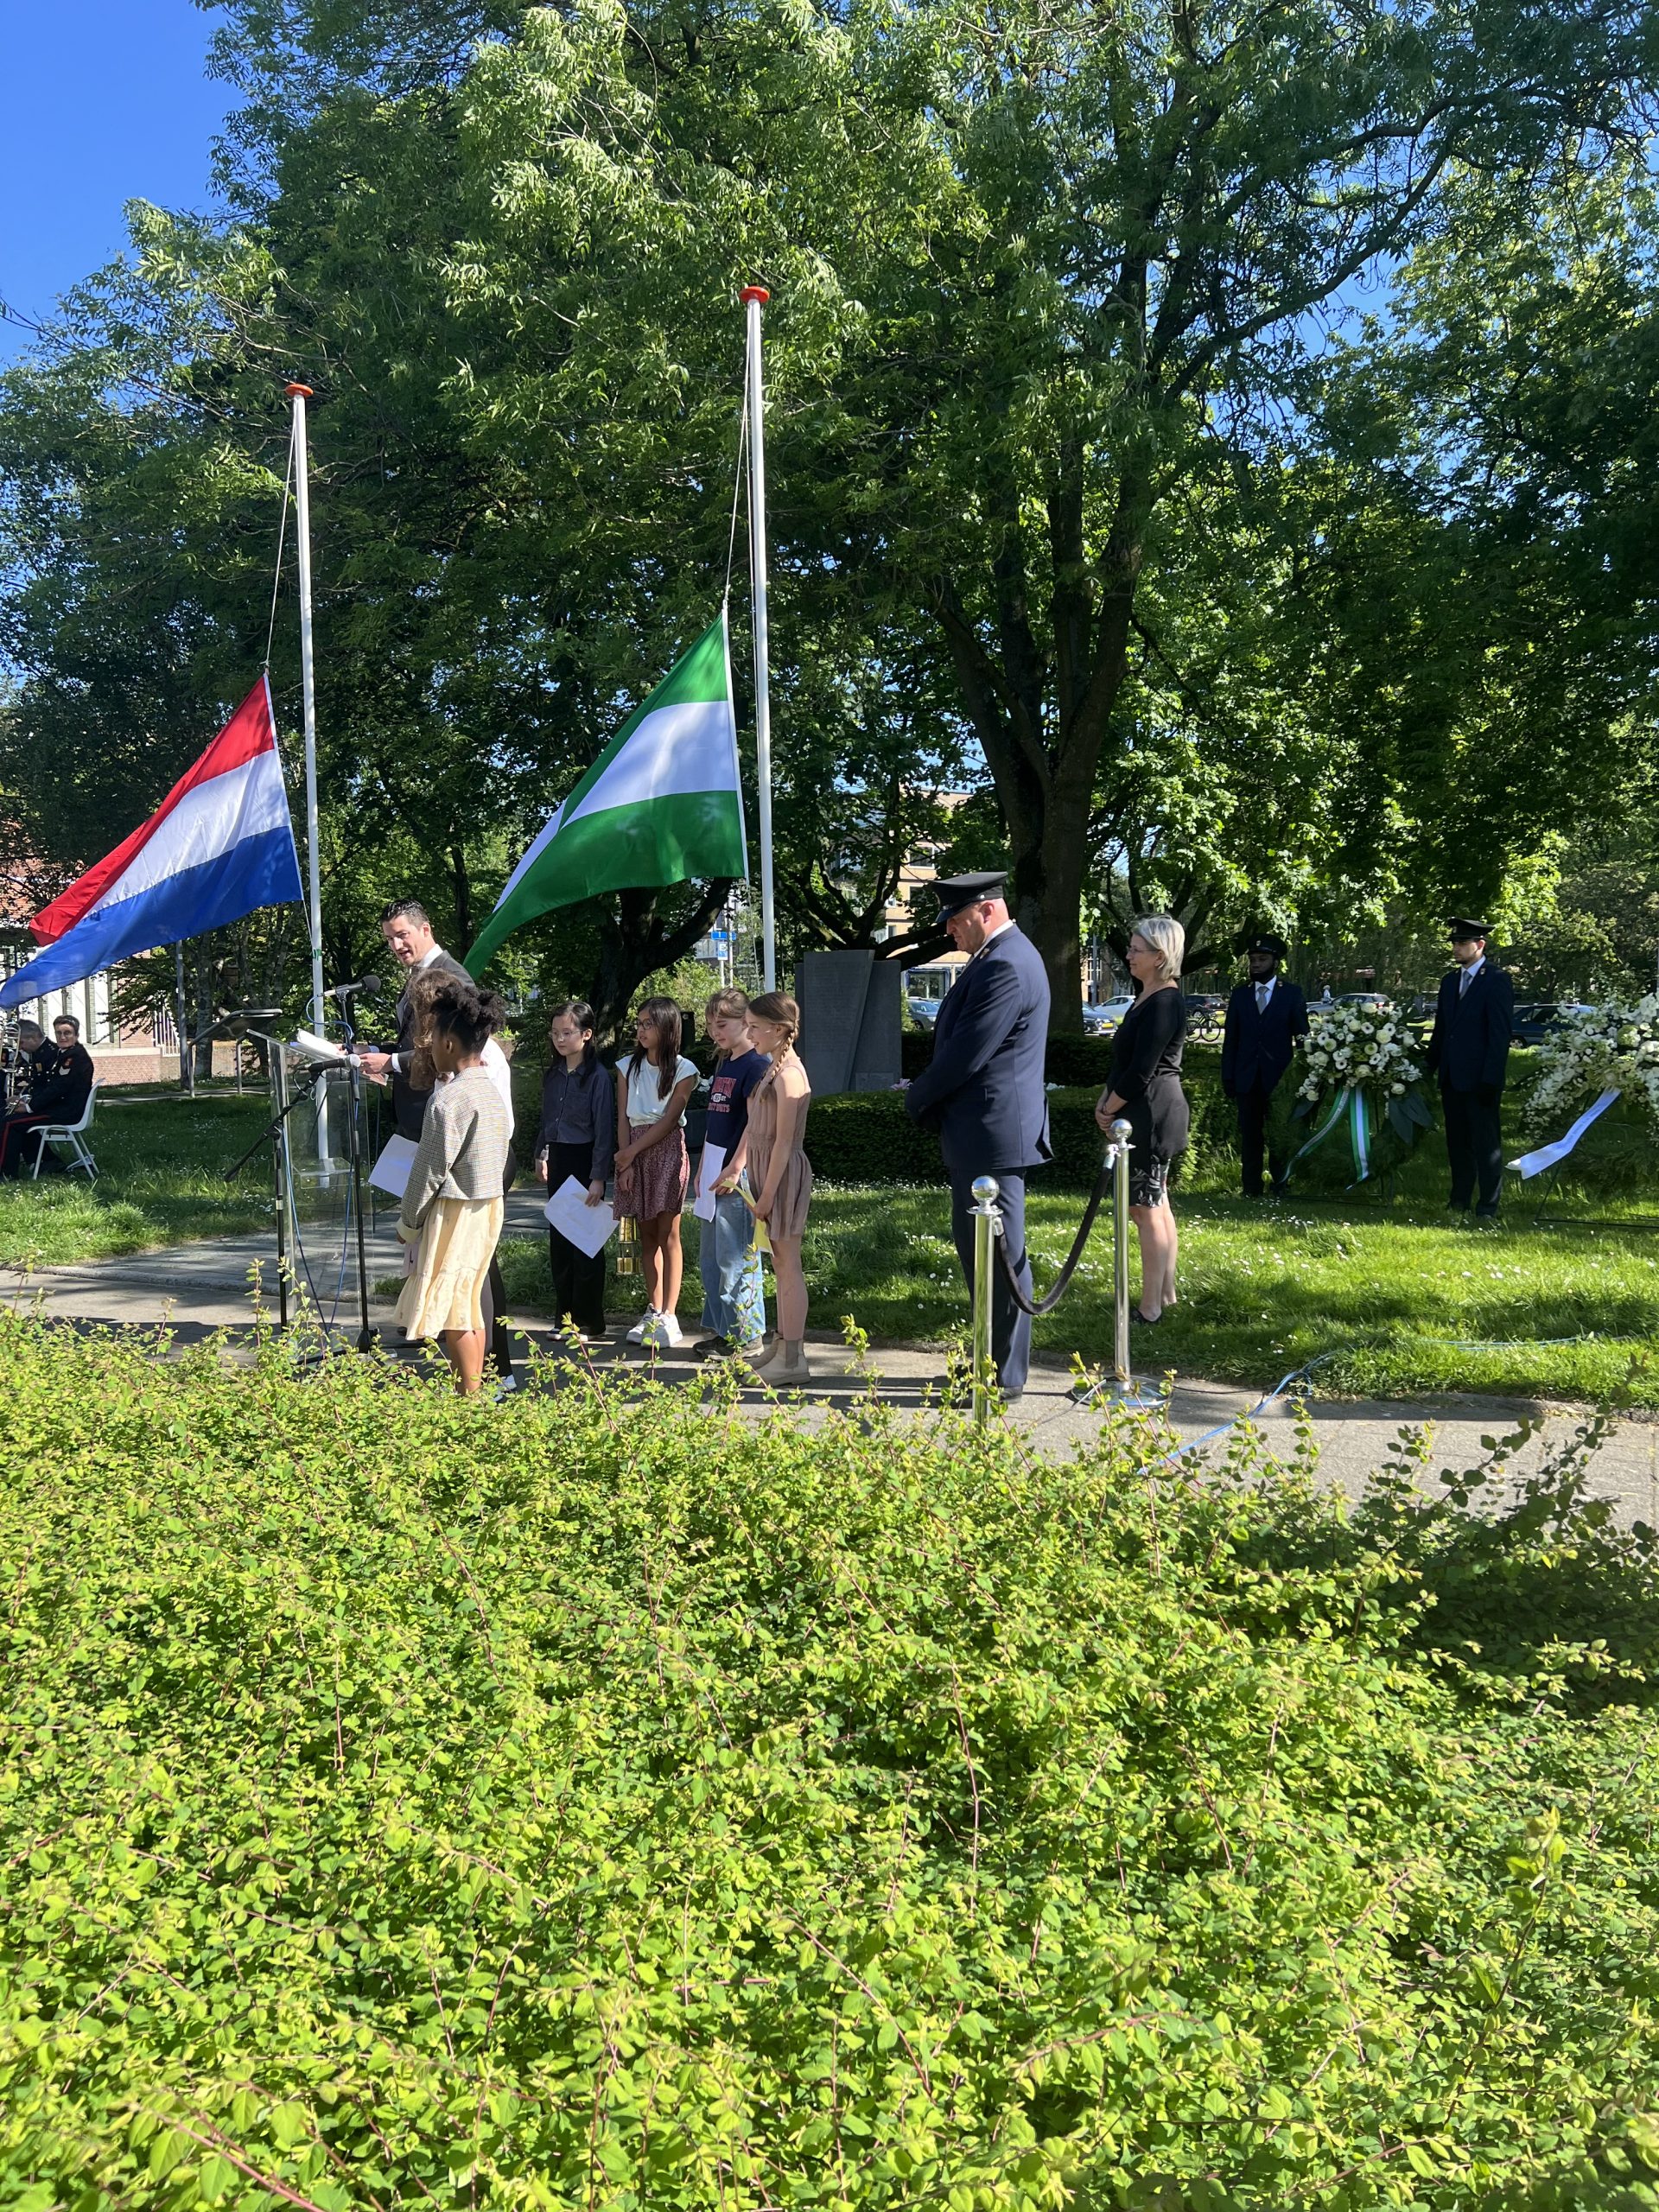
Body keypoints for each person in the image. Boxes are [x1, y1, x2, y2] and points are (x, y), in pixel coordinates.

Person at [904, 872, 1052, 1399]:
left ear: (986, 910)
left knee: (1000, 1255)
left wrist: (917, 1096)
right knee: (983, 1252)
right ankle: (990, 1361)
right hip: (982, 1133)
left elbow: (967, 1054)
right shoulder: (997, 959)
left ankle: (1003, 1375)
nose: (948, 930)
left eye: (955, 919)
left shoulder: (1007, 964)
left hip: (992, 1134)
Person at [404, 967, 519, 1390]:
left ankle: (468, 1396)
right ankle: (482, 1386)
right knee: (471, 1300)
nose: (429, 1046)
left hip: (455, 1210)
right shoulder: (487, 1087)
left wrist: (409, 1221)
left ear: (449, 1043)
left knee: (455, 1308)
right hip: (487, 1206)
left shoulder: (450, 1099)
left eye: (432, 1038)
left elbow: (429, 1169)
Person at [1094, 916, 1189, 1325]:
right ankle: (1165, 1294)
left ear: (1160, 956)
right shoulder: (1147, 997)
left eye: (1136, 949)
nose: (1128, 955)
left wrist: (1110, 1107)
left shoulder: (1165, 1002)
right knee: (1157, 1202)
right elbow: (1124, 1063)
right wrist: (1106, 1100)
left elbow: (1142, 1070)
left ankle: (1150, 1306)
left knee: (1145, 1209)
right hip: (1142, 1109)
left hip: (1150, 1113)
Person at [731, 992, 814, 1381]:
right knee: (779, 1265)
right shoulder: (772, 1068)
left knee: (787, 1265)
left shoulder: (790, 1074)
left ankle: (793, 1358)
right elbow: (755, 1127)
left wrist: (765, 1197)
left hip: (781, 1178)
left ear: (779, 1030)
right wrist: (740, 1169)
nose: (749, 1034)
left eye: (754, 1027)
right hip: (766, 1174)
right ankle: (782, 1347)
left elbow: (783, 1142)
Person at [613, 997, 699, 1350]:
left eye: (648, 1023)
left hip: (665, 1149)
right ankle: (653, 1308)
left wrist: (630, 1153)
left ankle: (670, 1314)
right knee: (643, 1234)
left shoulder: (684, 1070)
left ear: (667, 1027)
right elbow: (622, 1117)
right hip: (632, 1148)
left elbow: (668, 1120)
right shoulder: (625, 1067)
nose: (641, 1030)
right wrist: (626, 1163)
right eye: (639, 1023)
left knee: (669, 1233)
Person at [356, 899, 472, 1139]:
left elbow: (459, 1049)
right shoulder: (417, 974)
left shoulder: (453, 977)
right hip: (414, 1113)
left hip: (440, 1109)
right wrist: (369, 1049)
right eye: (389, 939)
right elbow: (414, 1041)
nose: (396, 945)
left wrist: (392, 1062)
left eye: (402, 935)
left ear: (425, 930)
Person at [534, 1000, 614, 1344]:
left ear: (587, 1034)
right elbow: (546, 1119)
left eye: (567, 1033)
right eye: (555, 1033)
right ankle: (563, 1317)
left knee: (586, 1243)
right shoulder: (552, 1075)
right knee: (560, 1242)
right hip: (559, 1158)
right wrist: (541, 1154)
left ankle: (589, 1321)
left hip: (585, 1160)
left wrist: (598, 1176)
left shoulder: (597, 1077)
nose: (560, 1039)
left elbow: (603, 1129)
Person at [694, 988, 768, 1360]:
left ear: (746, 1021)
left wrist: (736, 1168)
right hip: (714, 1167)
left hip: (737, 1173)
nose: (715, 1032)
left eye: (722, 1024)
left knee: (735, 1256)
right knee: (712, 1258)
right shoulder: (726, 1063)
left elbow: (754, 1124)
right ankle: (726, 1331)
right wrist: (704, 1163)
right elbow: (715, 1121)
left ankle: (748, 1335)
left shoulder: (756, 1065)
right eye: (710, 1025)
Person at [1426, 916, 1515, 1223]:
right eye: (1454, 943)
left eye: (1463, 943)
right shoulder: (1450, 981)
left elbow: (1499, 1034)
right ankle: (1459, 1200)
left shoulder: (1497, 979)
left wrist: (1491, 1078)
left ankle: (1488, 1206)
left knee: (1485, 1144)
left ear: (1480, 945)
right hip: (1452, 1076)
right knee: (1458, 1143)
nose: (1456, 948)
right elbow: (1442, 1030)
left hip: (1480, 1078)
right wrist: (1428, 1066)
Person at [1219, 933, 1308, 1198]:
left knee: (1280, 1134)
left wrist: (1304, 1077)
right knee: (1250, 1136)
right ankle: (1251, 1188)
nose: (1256, 964)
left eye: (1262, 959)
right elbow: (1231, 1040)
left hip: (1280, 1079)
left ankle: (1281, 1184)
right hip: (1247, 1078)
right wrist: (1228, 1076)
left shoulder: (1291, 994)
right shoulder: (1240, 996)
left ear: (1274, 962)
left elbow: (1302, 1037)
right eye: (1253, 960)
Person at [0, 1014, 94, 1179]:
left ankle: (6, 1173)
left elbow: (57, 1088)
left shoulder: (74, 1057)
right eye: (59, 1033)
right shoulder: (64, 1054)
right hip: (60, 1107)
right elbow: (47, 1085)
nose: (62, 1037)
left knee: (9, 1123)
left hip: (66, 1111)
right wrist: (25, 1101)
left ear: (77, 1035)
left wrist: (29, 1107)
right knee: (12, 1118)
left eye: (67, 1033)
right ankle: (46, 1161)